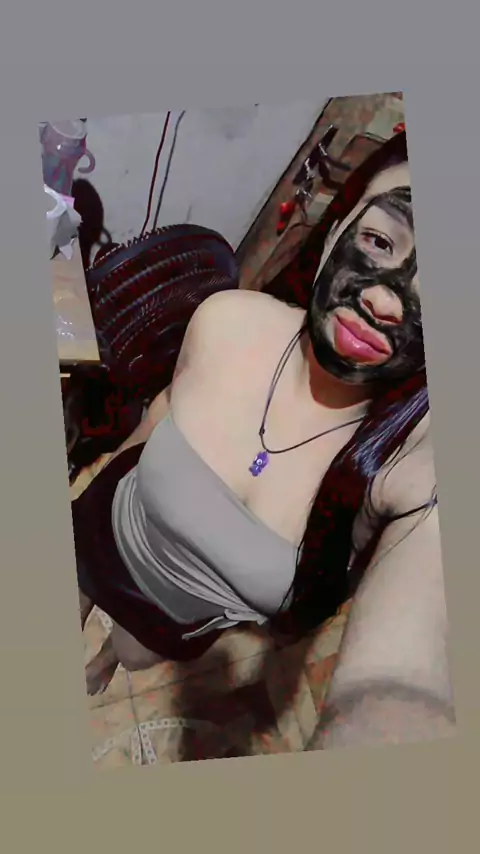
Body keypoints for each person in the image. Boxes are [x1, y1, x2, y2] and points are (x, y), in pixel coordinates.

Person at [72, 130, 455, 747]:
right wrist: (116, 462)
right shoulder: (227, 319)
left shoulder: (395, 472)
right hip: (105, 522)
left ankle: (103, 661)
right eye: (380, 241)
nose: (387, 299)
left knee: (129, 651)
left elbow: (405, 680)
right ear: (336, 227)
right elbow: (164, 409)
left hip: (175, 622)